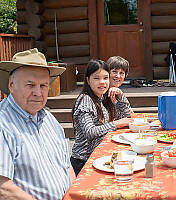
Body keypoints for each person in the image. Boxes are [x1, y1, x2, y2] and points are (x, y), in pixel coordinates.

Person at [0, 48, 75, 200]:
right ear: (11, 85)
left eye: (43, 86)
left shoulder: (49, 118)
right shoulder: (3, 124)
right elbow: (4, 189)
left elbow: (67, 166)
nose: (38, 93)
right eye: (30, 85)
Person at [70, 59, 132, 176]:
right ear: (88, 80)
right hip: (83, 162)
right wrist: (116, 124)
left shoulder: (102, 98)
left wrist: (120, 95)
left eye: (105, 78)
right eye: (96, 78)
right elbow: (90, 132)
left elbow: (126, 117)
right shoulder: (86, 100)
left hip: (98, 158)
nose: (102, 82)